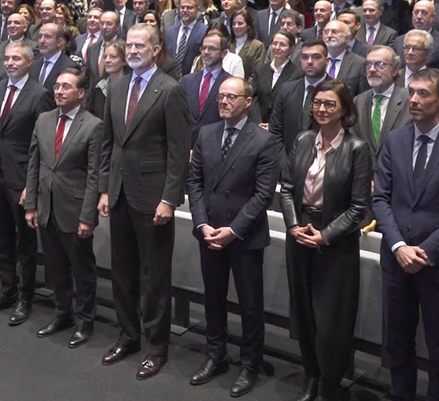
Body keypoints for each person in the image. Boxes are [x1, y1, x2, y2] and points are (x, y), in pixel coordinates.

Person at [373, 68, 439, 401]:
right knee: (398, 344)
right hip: (396, 260)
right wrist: (399, 246)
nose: (415, 100)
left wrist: (422, 252)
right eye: (412, 92)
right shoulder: (395, 139)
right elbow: (380, 198)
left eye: (424, 94)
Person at [97, 23, 191, 379]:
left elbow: (179, 151)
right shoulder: (116, 86)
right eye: (129, 46)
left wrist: (169, 199)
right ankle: (128, 335)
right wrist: (105, 189)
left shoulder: (170, 90)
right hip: (119, 193)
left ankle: (156, 346)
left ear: (155, 50)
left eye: (140, 46)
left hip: (153, 199)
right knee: (121, 273)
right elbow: (109, 144)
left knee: (154, 277)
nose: (133, 51)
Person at [185, 76, 281, 396]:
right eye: (221, 97)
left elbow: (264, 194)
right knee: (213, 299)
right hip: (210, 232)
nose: (224, 102)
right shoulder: (207, 133)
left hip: (243, 235)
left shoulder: (263, 140)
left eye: (231, 97)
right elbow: (195, 183)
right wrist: (201, 224)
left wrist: (234, 230)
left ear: (247, 102)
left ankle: (250, 363)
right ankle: (217, 355)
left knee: (250, 304)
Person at [280, 79, 373, 401]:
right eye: (317, 103)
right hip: (300, 233)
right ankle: (312, 375)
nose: (321, 108)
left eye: (329, 104)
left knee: (331, 320)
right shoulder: (304, 140)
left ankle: (330, 384)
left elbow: (360, 207)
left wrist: (325, 235)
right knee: (304, 313)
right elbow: (287, 188)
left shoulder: (357, 148)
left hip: (335, 240)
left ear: (344, 109)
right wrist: (293, 226)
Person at [25, 69, 103, 347]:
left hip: (75, 209)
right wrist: (31, 205)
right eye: (57, 86)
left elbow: (94, 175)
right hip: (46, 207)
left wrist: (88, 216)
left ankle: (84, 321)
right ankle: (62, 313)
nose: (58, 91)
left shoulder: (93, 125)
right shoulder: (44, 120)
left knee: (82, 270)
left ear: (81, 93)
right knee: (55, 267)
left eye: (66, 87)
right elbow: (35, 164)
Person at [0, 41, 50, 324]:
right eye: (6, 58)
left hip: (22, 179)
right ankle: (6, 291)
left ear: (29, 63)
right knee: (1, 240)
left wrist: (33, 184)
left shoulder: (40, 95)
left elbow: (41, 144)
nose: (10, 63)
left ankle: (25, 298)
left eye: (16, 59)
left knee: (25, 244)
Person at [352, 45, 411, 157]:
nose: (372, 69)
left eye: (380, 64)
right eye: (368, 64)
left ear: (395, 70)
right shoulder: (358, 101)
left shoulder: (409, 99)